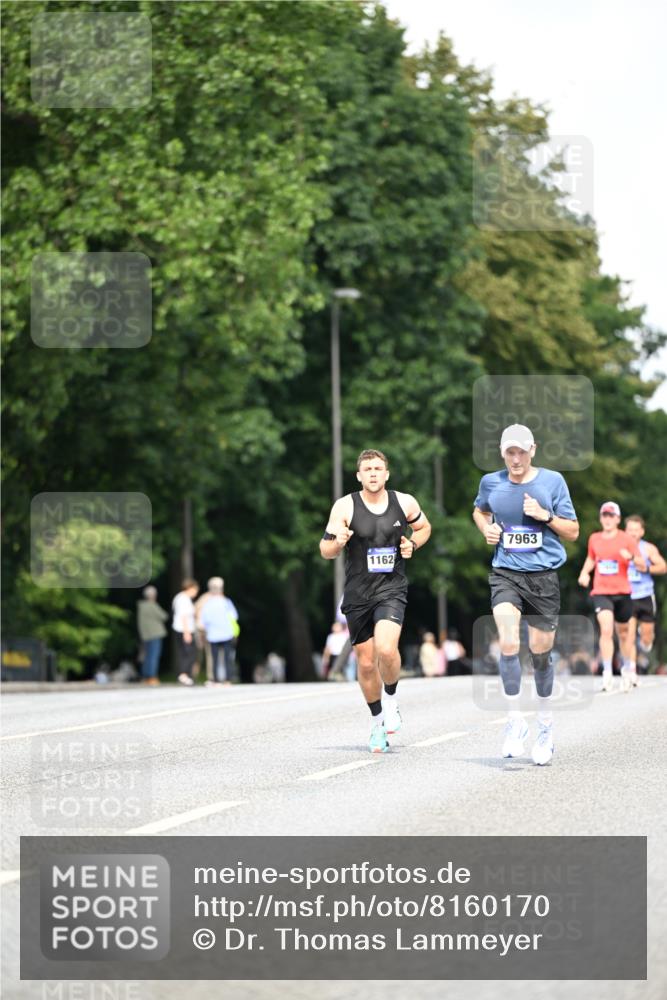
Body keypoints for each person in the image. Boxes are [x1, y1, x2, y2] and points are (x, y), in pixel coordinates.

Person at [472, 424, 579, 766]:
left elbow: (573, 531)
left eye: (521, 451)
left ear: (533, 449)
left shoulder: (552, 482)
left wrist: (545, 516)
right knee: (506, 642)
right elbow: (479, 510)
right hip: (505, 573)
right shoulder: (491, 482)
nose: (515, 459)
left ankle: (545, 723)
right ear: (502, 453)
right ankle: (515, 720)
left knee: (540, 654)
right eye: (509, 452)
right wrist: (486, 528)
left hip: (543, 578)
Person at [320, 448, 431, 752]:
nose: (372, 473)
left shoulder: (404, 502)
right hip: (357, 594)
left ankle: (392, 699)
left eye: (378, 468)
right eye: (367, 469)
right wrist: (337, 543)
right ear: (359, 476)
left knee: (386, 648)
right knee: (367, 664)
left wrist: (413, 544)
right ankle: (376, 723)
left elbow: (424, 528)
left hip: (391, 588)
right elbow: (324, 549)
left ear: (386, 474)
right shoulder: (344, 506)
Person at [578, 502, 646, 693]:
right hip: (601, 591)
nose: (607, 519)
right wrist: (585, 573)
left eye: (611, 516)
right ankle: (607, 673)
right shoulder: (594, 538)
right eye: (604, 515)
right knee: (606, 630)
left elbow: (642, 564)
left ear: (617, 519)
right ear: (601, 518)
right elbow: (591, 558)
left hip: (623, 592)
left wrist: (631, 558)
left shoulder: (627, 539)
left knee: (623, 633)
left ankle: (626, 668)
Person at [624, 515, 666, 682]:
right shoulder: (619, 547)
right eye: (630, 530)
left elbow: (663, 567)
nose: (633, 533)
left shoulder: (648, 548)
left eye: (636, 530)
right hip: (627, 596)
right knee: (629, 634)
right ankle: (631, 670)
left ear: (641, 531)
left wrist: (646, 568)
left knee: (647, 639)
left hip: (645, 596)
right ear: (625, 531)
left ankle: (646, 638)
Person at [199, 577, 239, 685]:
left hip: (213, 635)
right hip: (227, 633)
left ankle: (216, 680)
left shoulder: (207, 604)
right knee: (227, 658)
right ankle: (228, 679)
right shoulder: (226, 602)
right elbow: (234, 616)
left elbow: (204, 620)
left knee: (214, 659)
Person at [136, 585, 168, 685]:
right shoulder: (152, 605)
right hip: (155, 634)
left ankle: (145, 676)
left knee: (146, 656)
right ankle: (152, 677)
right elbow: (164, 616)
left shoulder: (141, 606)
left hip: (145, 635)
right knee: (153, 656)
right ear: (153, 595)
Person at [171, 578, 199, 686]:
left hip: (181, 629)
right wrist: (187, 632)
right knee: (189, 653)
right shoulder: (183, 599)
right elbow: (183, 616)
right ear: (190, 588)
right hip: (184, 629)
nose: (196, 593)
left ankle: (185, 674)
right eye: (195, 590)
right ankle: (184, 674)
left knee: (185, 653)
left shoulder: (180, 597)